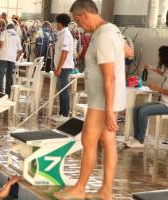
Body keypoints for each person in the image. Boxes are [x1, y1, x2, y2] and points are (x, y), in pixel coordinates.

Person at [54, 1, 133, 200]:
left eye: (78, 20)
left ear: (87, 15)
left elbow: (110, 77)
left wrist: (108, 110)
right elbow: (129, 52)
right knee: (108, 140)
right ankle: (106, 192)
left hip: (103, 100)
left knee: (88, 140)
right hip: (109, 98)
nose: (79, 25)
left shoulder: (104, 36)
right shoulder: (111, 29)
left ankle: (80, 188)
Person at [127, 46, 168, 148]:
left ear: (164, 57)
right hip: (165, 103)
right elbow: (162, 73)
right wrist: (151, 68)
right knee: (137, 108)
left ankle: (140, 141)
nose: (158, 58)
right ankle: (136, 137)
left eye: (159, 56)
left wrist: (157, 89)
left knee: (143, 111)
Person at [51, 14, 74, 122]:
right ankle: (61, 113)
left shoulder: (66, 35)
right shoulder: (61, 34)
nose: (56, 25)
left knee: (64, 91)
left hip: (64, 67)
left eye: (57, 23)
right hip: (61, 66)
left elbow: (65, 53)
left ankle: (65, 115)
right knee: (61, 90)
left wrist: (59, 68)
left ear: (60, 23)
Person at [0, 24, 23, 96]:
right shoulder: (17, 36)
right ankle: (8, 94)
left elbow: (0, 42)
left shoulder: (4, 32)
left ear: (7, 28)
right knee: (9, 75)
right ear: (14, 29)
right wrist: (17, 57)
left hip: (3, 56)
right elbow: (20, 51)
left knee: (1, 74)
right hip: (12, 58)